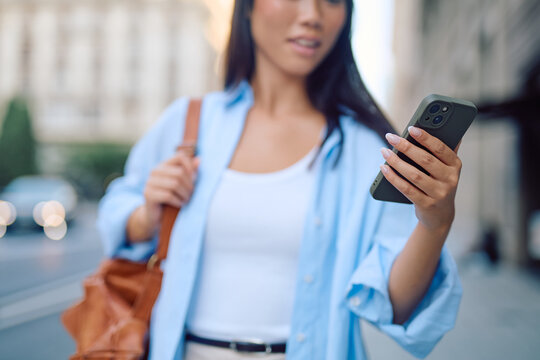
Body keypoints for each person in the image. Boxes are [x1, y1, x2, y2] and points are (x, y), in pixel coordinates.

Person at [97, 0, 463, 359]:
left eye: (333, 0)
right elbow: (116, 211)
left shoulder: (368, 149)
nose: (312, 15)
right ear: (248, 7)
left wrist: (435, 223)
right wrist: (146, 217)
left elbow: (395, 306)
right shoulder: (187, 123)